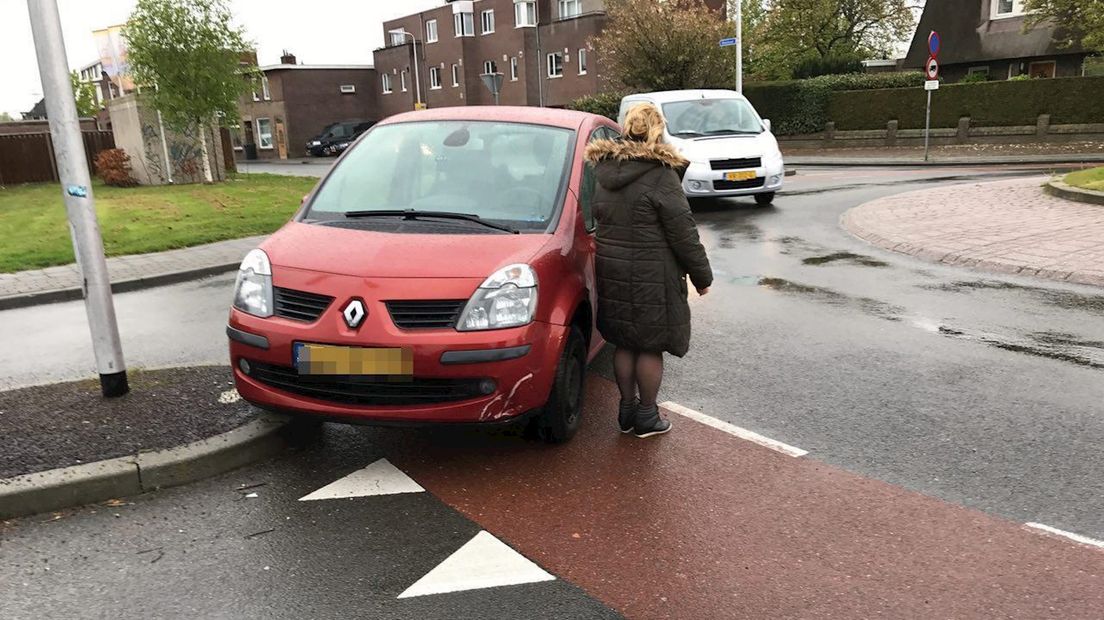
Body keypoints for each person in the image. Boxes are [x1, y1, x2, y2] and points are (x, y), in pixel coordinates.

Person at [584, 104, 713, 438]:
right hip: (651, 274)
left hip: (611, 268)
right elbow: (683, 233)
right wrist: (702, 277)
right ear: (658, 130)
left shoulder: (604, 171)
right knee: (649, 345)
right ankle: (646, 416)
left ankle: (625, 411)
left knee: (624, 341)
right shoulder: (660, 174)